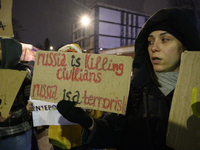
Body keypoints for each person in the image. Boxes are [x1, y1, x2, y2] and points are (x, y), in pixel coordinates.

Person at [56, 7, 200, 150]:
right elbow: (113, 135)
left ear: (185, 47)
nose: (154, 47)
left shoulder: (196, 93)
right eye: (150, 41)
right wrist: (87, 122)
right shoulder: (133, 91)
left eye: (165, 39)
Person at [0, 38, 37, 150]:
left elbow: (32, 105)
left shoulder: (24, 73)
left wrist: (13, 114)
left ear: (9, 51)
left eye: (0, 48)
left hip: (16, 135)